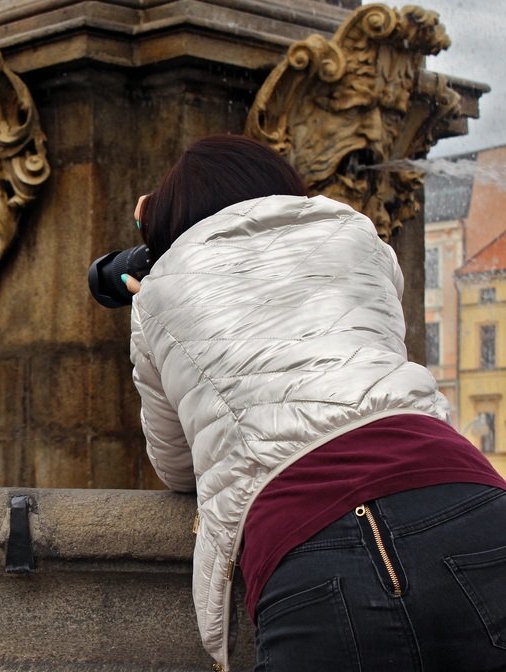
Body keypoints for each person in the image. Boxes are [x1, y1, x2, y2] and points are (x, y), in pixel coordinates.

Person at [124, 134, 506, 672]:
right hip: (468, 493)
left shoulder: (157, 296)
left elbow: (176, 466)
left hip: (308, 536)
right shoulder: (360, 240)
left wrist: (155, 251)